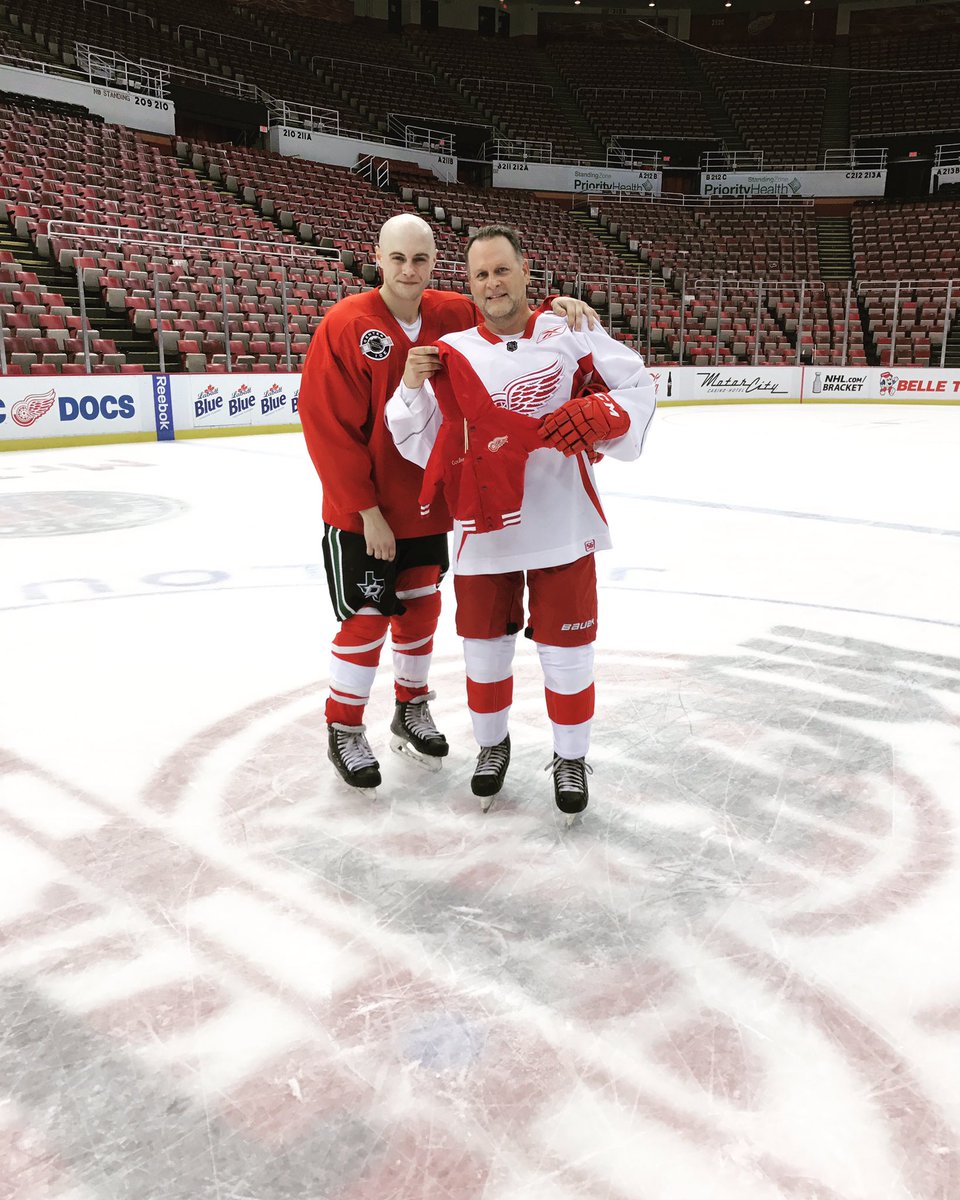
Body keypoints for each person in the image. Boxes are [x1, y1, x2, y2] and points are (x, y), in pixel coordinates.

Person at [299, 213, 596, 792]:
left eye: (421, 260)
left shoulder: (451, 314)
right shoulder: (344, 324)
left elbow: (510, 319)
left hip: (433, 507)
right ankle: (344, 727)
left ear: (435, 263)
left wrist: (562, 307)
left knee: (420, 612)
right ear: (377, 259)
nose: (409, 271)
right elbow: (325, 426)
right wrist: (365, 511)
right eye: (398, 259)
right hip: (366, 515)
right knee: (365, 620)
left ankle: (410, 709)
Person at [386, 224, 656, 821]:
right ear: (471, 285)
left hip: (563, 521)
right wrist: (408, 387)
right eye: (481, 274)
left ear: (526, 271)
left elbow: (639, 387)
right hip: (485, 530)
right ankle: (492, 747)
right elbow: (420, 441)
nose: (492, 283)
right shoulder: (454, 351)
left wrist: (605, 411)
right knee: (484, 651)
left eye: (501, 270)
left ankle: (570, 757)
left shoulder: (571, 329)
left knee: (569, 651)